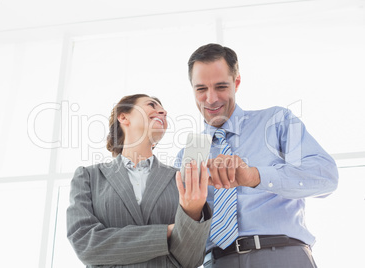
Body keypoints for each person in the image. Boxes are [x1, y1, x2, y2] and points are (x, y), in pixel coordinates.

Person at [175, 44, 339, 267]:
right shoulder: (188, 154)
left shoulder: (276, 121)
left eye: (221, 86)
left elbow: (326, 178)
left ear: (237, 82)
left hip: (283, 254)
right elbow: (181, 237)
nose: (211, 99)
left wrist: (254, 176)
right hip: (218, 261)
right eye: (201, 89)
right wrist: (191, 211)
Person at [67, 94, 212, 268]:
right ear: (123, 117)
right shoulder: (89, 177)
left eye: (164, 112)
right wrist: (168, 231)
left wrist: (192, 213)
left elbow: (191, 261)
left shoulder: (179, 180)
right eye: (152, 104)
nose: (163, 112)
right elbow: (85, 245)